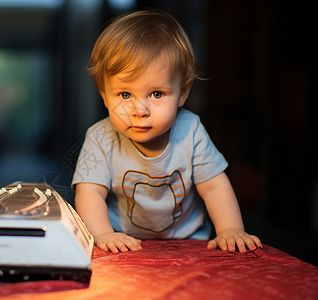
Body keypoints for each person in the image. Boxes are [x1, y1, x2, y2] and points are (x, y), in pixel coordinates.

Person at [71, 10, 262, 253]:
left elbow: (214, 186)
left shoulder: (191, 130)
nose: (140, 110)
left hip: (189, 242)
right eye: (125, 94)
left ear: (183, 92)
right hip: (124, 241)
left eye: (157, 94)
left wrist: (230, 229)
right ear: (104, 95)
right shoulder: (100, 136)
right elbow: (90, 193)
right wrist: (104, 234)